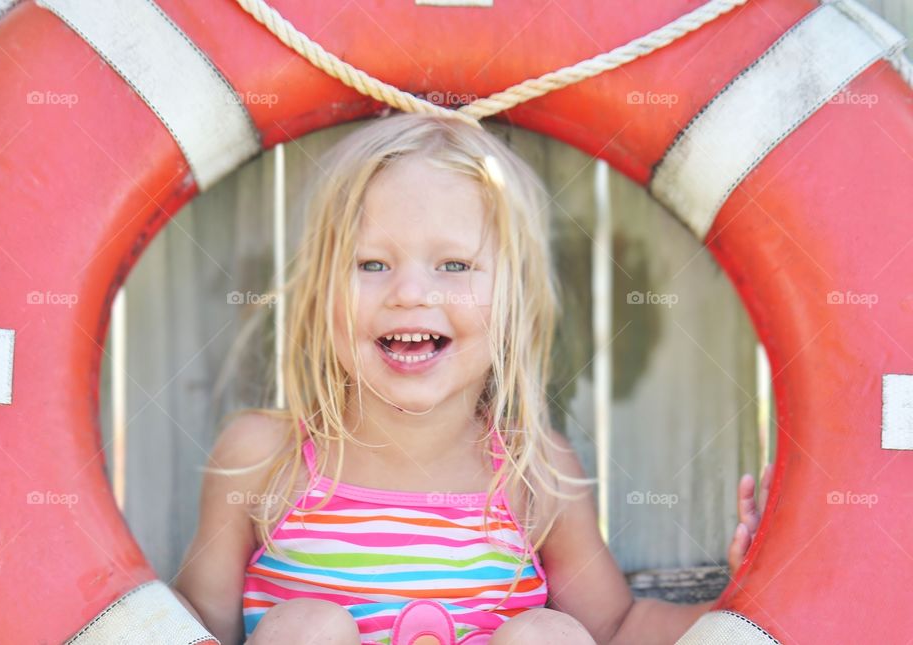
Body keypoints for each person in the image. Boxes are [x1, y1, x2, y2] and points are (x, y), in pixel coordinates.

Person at [172, 112, 773, 645]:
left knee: (548, 635)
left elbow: (617, 630)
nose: (410, 293)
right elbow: (193, 624)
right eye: (371, 264)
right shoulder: (264, 460)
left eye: (454, 265)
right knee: (307, 630)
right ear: (322, 295)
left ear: (512, 302)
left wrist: (745, 603)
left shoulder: (531, 471)